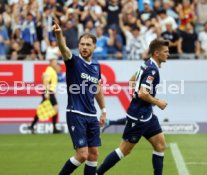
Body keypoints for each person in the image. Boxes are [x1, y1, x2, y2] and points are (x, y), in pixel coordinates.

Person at [97, 39, 169, 175]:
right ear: (157, 53)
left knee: (160, 146)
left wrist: (136, 97)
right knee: (124, 150)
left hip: (147, 114)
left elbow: (131, 81)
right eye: (165, 52)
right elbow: (143, 93)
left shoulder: (146, 65)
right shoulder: (152, 70)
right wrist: (157, 102)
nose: (168, 54)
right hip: (139, 117)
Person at [53, 21, 106, 175]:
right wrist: (58, 34)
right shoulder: (73, 61)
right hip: (76, 114)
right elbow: (63, 48)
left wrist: (103, 110)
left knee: (94, 153)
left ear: (94, 47)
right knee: (82, 154)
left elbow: (97, 88)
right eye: (82, 44)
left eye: (88, 44)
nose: (84, 47)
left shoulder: (96, 66)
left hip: (91, 115)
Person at [28, 57, 62, 134]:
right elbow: (46, 82)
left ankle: (32, 126)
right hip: (48, 92)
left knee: (43, 109)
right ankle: (54, 128)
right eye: (55, 62)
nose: (56, 64)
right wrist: (47, 92)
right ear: (50, 63)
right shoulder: (49, 70)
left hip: (50, 92)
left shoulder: (51, 70)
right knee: (55, 108)